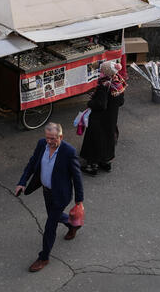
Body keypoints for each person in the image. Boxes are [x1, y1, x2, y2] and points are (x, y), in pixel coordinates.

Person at [14, 123, 84, 272]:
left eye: (53, 138)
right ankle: (72, 224)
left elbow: (77, 178)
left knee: (50, 225)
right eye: (47, 138)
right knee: (54, 216)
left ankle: (43, 258)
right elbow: (32, 164)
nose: (49, 141)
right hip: (47, 192)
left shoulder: (69, 152)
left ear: (61, 137)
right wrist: (22, 182)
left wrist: (79, 202)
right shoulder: (42, 144)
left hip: (61, 195)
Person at [80, 61, 126, 175]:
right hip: (111, 118)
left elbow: (101, 104)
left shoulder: (104, 86)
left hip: (99, 119)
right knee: (108, 139)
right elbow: (121, 102)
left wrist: (90, 103)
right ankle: (105, 162)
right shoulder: (118, 82)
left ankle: (92, 166)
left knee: (95, 140)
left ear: (105, 72)